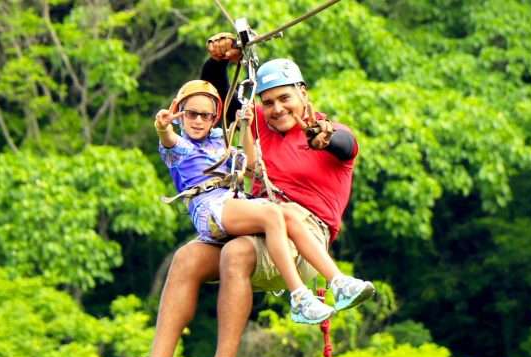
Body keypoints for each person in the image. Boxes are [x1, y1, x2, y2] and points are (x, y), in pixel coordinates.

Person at [109, 34, 367, 357]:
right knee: (187, 258)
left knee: (237, 252)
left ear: (303, 95)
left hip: (303, 233)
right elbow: (215, 105)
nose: (277, 109)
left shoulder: (330, 132)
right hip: (258, 218)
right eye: (269, 102)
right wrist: (218, 61)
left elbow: (343, 144)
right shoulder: (258, 126)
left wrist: (324, 137)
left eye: (285, 99)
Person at [150, 79, 373, 324]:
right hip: (211, 208)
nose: (198, 121)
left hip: (232, 201)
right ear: (179, 113)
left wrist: (245, 124)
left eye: (205, 115)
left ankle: (339, 282)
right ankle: (299, 295)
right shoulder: (181, 145)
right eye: (191, 114)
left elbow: (250, 161)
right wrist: (163, 128)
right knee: (272, 214)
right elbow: (169, 139)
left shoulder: (216, 138)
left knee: (284, 212)